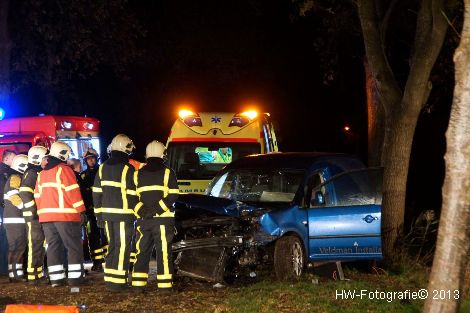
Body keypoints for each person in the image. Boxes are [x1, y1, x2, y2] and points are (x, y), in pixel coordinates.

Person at [34, 142, 86, 287]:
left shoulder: (41, 174)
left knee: (53, 247)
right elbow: (73, 192)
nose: (68, 157)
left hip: (46, 218)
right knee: (73, 247)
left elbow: (37, 196)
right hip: (66, 217)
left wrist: (43, 213)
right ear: (62, 153)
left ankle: (56, 279)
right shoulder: (64, 170)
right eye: (67, 154)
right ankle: (76, 279)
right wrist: (81, 211)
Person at [131, 141, 179, 293]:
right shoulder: (168, 172)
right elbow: (173, 196)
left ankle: (138, 285)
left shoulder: (137, 174)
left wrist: (144, 212)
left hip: (144, 221)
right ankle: (164, 287)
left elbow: (131, 198)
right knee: (163, 252)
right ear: (162, 154)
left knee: (142, 252)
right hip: (163, 220)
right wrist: (156, 210)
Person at [92, 134, 138, 292]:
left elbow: (96, 193)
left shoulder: (103, 167)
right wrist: (138, 212)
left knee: (112, 246)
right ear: (126, 149)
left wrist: (98, 215)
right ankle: (118, 283)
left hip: (106, 216)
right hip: (124, 215)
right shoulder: (128, 168)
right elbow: (133, 195)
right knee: (123, 248)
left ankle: (111, 280)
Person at [19, 146, 48, 284]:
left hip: (35, 215)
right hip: (33, 217)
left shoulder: (35, 171)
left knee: (39, 244)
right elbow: (24, 192)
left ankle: (37, 274)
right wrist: (34, 211)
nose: (46, 160)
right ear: (37, 159)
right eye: (45, 158)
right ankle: (33, 276)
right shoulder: (32, 173)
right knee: (35, 244)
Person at [79, 148, 107, 271]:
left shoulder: (103, 171)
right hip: (90, 212)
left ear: (96, 159)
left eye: (93, 158)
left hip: (103, 210)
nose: (91, 161)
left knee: (106, 235)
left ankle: (109, 259)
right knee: (92, 236)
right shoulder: (83, 176)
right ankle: (97, 262)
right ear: (85, 161)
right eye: (88, 159)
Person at [3, 154, 28, 282]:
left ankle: (15, 274)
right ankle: (15, 275)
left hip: (15, 220)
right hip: (16, 220)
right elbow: (13, 195)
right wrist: (26, 207)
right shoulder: (15, 177)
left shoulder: (15, 177)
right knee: (17, 246)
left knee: (18, 247)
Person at [0, 150, 17, 275]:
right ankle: (6, 269)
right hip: (6, 210)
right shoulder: (6, 173)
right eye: (14, 158)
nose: (16, 161)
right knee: (7, 238)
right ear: (6, 159)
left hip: (4, 210)